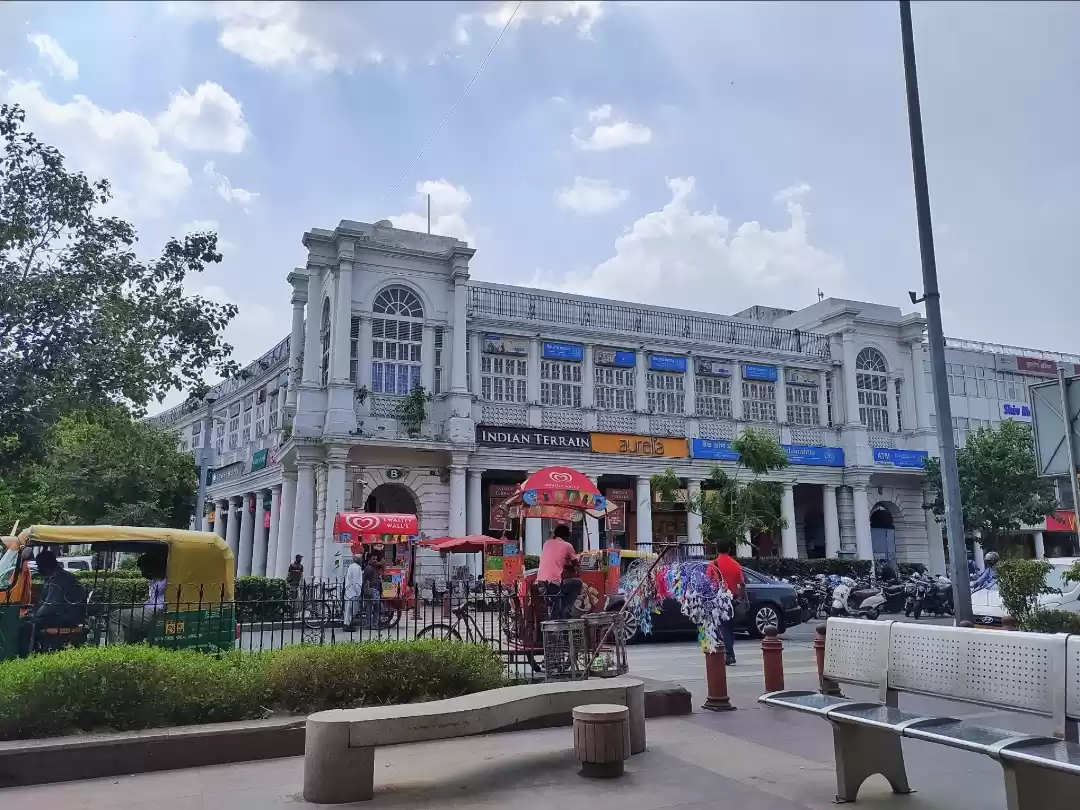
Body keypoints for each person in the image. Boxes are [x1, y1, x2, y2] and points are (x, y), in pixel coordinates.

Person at [19, 550, 87, 656]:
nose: (38, 568)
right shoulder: (56, 575)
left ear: (44, 565)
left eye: (39, 565)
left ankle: (24, 656)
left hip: (63, 618)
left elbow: (50, 604)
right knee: (23, 620)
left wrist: (35, 614)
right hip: (61, 614)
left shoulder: (59, 578)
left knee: (26, 627)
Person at [109, 548, 167, 643]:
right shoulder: (155, 580)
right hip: (150, 608)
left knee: (115, 616)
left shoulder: (166, 581)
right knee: (122, 614)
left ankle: (117, 647)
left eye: (143, 569)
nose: (143, 572)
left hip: (156, 611)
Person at [710, 540, 745, 666]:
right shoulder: (736, 565)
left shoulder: (713, 565)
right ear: (729, 550)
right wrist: (741, 598)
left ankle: (729, 654)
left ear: (717, 550)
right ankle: (730, 651)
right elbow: (741, 583)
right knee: (729, 627)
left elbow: (709, 582)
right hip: (732, 599)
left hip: (718, 599)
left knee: (722, 627)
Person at [537, 524, 581, 620]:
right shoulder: (567, 546)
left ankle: (560, 612)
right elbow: (576, 566)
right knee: (577, 583)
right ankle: (566, 610)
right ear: (567, 536)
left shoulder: (547, 543)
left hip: (541, 583)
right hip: (553, 584)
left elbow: (554, 561)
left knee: (555, 601)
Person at [341, 554, 363, 630]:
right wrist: (358, 591)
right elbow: (356, 581)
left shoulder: (351, 566)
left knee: (348, 608)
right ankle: (348, 625)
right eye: (361, 558)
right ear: (358, 560)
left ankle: (347, 623)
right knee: (350, 609)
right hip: (353, 591)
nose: (362, 560)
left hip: (349, 590)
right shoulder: (356, 568)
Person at [362, 553, 383, 629]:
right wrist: (368, 590)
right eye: (373, 559)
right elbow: (366, 580)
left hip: (376, 589)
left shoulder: (374, 568)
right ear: (369, 560)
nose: (375, 561)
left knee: (377, 607)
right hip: (371, 590)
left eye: (376, 559)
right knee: (370, 608)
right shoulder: (368, 568)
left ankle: (373, 624)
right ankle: (370, 624)